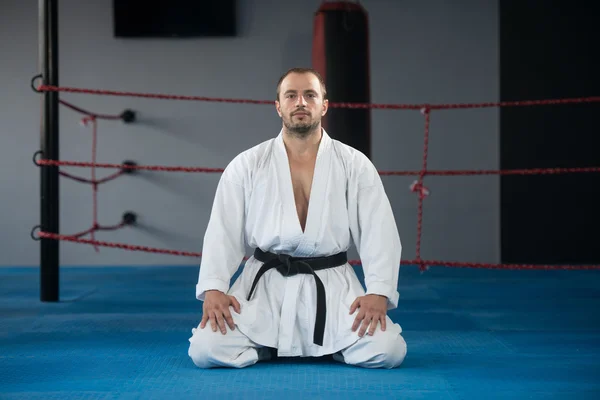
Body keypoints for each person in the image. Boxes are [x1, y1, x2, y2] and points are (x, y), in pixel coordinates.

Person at [188, 67, 407, 369]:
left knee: (388, 350)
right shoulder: (248, 164)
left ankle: (294, 344)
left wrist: (378, 292)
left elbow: (378, 231)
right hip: (265, 285)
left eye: (310, 95)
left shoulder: (354, 164)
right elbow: (223, 231)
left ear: (324, 105)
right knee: (205, 349)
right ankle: (278, 344)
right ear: (278, 106)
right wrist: (214, 288)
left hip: (332, 284)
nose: (300, 102)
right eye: (291, 95)